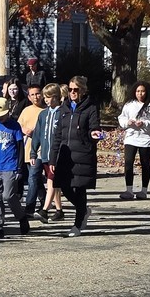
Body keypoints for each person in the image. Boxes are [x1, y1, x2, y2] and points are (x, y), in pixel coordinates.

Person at [49, 76, 104, 237]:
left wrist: (94, 133)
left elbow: (94, 126)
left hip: (83, 154)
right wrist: (53, 158)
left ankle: (78, 225)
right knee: (64, 187)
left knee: (80, 189)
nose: (72, 93)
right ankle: (84, 210)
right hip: (65, 155)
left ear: (83, 90)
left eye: (76, 90)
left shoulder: (91, 107)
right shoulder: (64, 108)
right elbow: (58, 135)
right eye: (71, 89)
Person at [0, 97, 29, 239]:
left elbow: (20, 147)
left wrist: (20, 168)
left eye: (2, 115)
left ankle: (21, 217)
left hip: (10, 165)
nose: (0, 118)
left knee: (8, 195)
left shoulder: (15, 126)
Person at [118, 81, 150, 200]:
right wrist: (128, 122)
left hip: (145, 138)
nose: (140, 94)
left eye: (142, 91)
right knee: (128, 163)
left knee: (145, 164)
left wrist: (145, 123)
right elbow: (121, 118)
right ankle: (129, 190)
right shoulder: (129, 104)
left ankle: (144, 191)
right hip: (131, 137)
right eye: (138, 91)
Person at [31, 83, 65, 223]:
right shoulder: (43, 114)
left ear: (56, 97)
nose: (45, 99)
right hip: (45, 154)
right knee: (54, 183)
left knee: (51, 181)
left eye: (48, 97)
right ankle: (59, 210)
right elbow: (37, 134)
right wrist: (33, 152)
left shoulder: (63, 112)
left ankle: (44, 210)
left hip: (57, 155)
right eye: (44, 97)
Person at [18, 83, 46, 214]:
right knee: (36, 178)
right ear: (29, 97)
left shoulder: (46, 111)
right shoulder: (26, 110)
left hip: (41, 150)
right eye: (32, 94)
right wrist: (24, 130)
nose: (36, 97)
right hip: (28, 148)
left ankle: (29, 207)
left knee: (33, 177)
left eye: (38, 93)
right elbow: (18, 125)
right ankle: (45, 201)